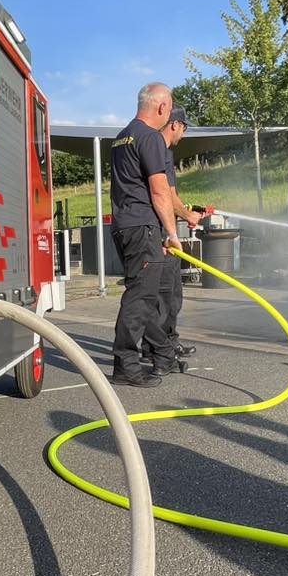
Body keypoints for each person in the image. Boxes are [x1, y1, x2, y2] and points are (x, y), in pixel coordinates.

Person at [107, 83, 182, 387]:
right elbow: (159, 190)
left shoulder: (121, 138)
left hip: (123, 226)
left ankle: (163, 353)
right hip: (143, 227)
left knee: (145, 295)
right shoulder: (150, 138)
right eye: (170, 105)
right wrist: (173, 234)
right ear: (162, 107)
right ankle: (125, 365)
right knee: (139, 299)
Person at [142, 106, 205, 370]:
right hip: (159, 235)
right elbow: (165, 194)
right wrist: (188, 216)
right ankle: (159, 350)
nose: (185, 133)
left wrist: (185, 213)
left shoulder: (163, 152)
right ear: (175, 124)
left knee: (171, 295)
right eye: (185, 127)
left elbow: (171, 195)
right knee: (165, 296)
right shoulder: (160, 150)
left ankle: (166, 343)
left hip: (162, 233)